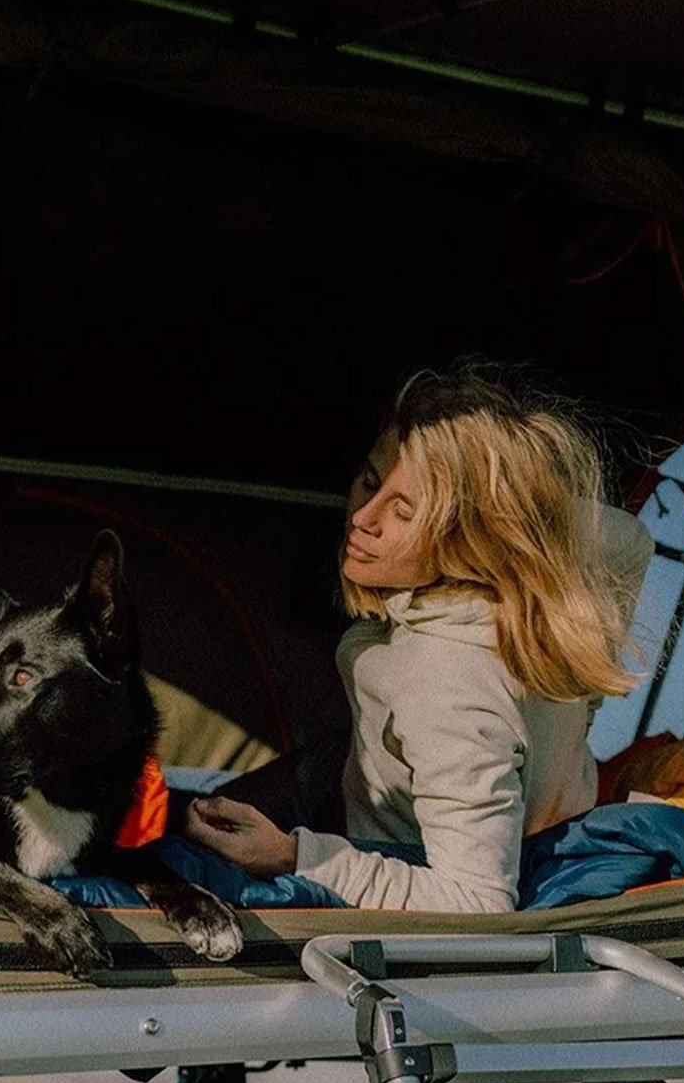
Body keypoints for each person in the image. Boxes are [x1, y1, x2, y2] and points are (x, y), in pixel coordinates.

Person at [183, 362, 654, 915]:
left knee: (178, 851)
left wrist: (296, 858)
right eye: (370, 480)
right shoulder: (558, 583)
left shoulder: (446, 688)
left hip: (382, 843)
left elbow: (478, 901)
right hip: (353, 769)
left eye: (403, 512)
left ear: (471, 534)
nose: (364, 516)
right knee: (189, 813)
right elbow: (630, 537)